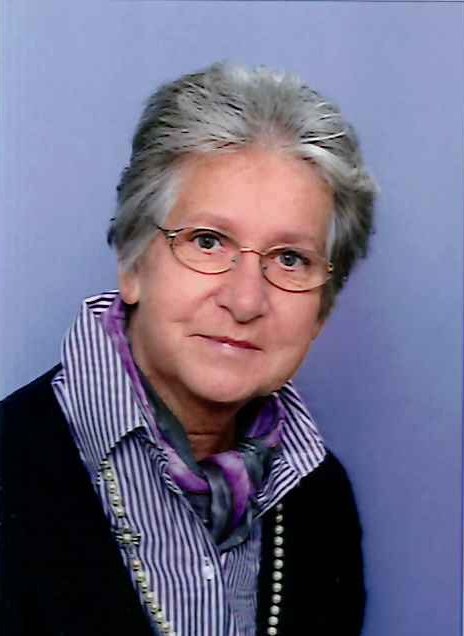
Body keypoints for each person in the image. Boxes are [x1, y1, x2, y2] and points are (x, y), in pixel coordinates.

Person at [0, 62, 376, 636]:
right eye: (208, 241)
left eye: (290, 259)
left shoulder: (320, 501)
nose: (245, 299)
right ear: (132, 261)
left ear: (322, 309)